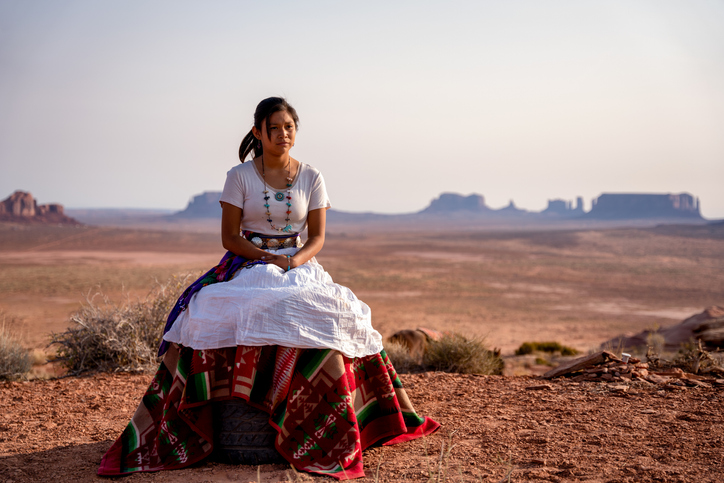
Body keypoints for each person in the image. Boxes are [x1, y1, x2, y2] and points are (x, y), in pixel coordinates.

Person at [98, 97, 439, 480]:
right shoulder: (239, 176)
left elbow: (318, 237)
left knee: (338, 312)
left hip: (299, 263)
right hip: (250, 260)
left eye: (289, 127)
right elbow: (230, 237)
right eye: (273, 127)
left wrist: (294, 261)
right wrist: (264, 257)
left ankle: (338, 415)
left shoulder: (312, 176)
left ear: (297, 131)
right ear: (258, 132)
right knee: (213, 308)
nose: (282, 134)